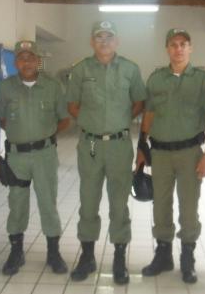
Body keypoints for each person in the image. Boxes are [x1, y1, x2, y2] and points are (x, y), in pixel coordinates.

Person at [66, 21, 146, 284]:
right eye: (98, 37)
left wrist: (118, 122)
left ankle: (119, 258)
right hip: (89, 145)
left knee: (119, 204)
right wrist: (93, 124)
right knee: (88, 201)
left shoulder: (130, 69)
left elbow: (138, 103)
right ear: (91, 42)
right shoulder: (80, 70)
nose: (104, 41)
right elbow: (73, 105)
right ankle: (87, 257)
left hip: (119, 146)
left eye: (109, 37)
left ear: (117, 41)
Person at [137, 28, 205, 284]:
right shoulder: (156, 79)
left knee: (188, 206)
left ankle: (187, 258)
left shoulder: (202, 79)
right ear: (167, 49)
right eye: (173, 44)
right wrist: (142, 148)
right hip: (160, 153)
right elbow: (148, 115)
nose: (179, 49)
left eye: (184, 44)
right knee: (160, 204)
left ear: (190, 48)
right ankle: (163, 255)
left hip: (190, 152)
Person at [0, 40, 70, 275]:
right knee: (17, 204)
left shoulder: (53, 86)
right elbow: (1, 118)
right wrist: (22, 134)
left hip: (45, 155)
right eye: (22, 57)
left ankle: (53, 253)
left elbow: (64, 119)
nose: (27, 62)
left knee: (48, 203)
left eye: (31, 57)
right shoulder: (6, 87)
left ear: (38, 61)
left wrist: (43, 135)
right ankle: (16, 252)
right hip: (17, 157)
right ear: (16, 62)